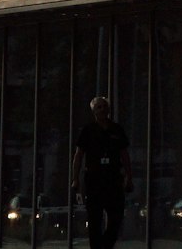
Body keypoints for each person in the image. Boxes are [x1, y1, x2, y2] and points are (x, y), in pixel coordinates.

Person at [72, 96, 133, 249]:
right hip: (94, 179)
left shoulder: (116, 130)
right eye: (98, 107)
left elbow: (124, 154)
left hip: (113, 179)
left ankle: (105, 245)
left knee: (116, 217)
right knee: (94, 219)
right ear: (93, 111)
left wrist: (128, 176)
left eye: (104, 106)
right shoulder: (88, 131)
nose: (102, 110)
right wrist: (75, 179)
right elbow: (79, 155)